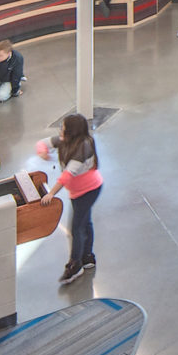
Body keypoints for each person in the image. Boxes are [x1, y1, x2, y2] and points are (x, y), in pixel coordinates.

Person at [37, 113, 104, 285]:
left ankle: (76, 264)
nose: (60, 130)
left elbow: (67, 175)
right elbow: (42, 143)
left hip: (88, 191)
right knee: (85, 223)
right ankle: (88, 257)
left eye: (63, 127)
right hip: (78, 192)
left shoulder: (83, 148)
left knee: (77, 228)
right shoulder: (67, 141)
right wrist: (43, 152)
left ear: (71, 132)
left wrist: (51, 193)